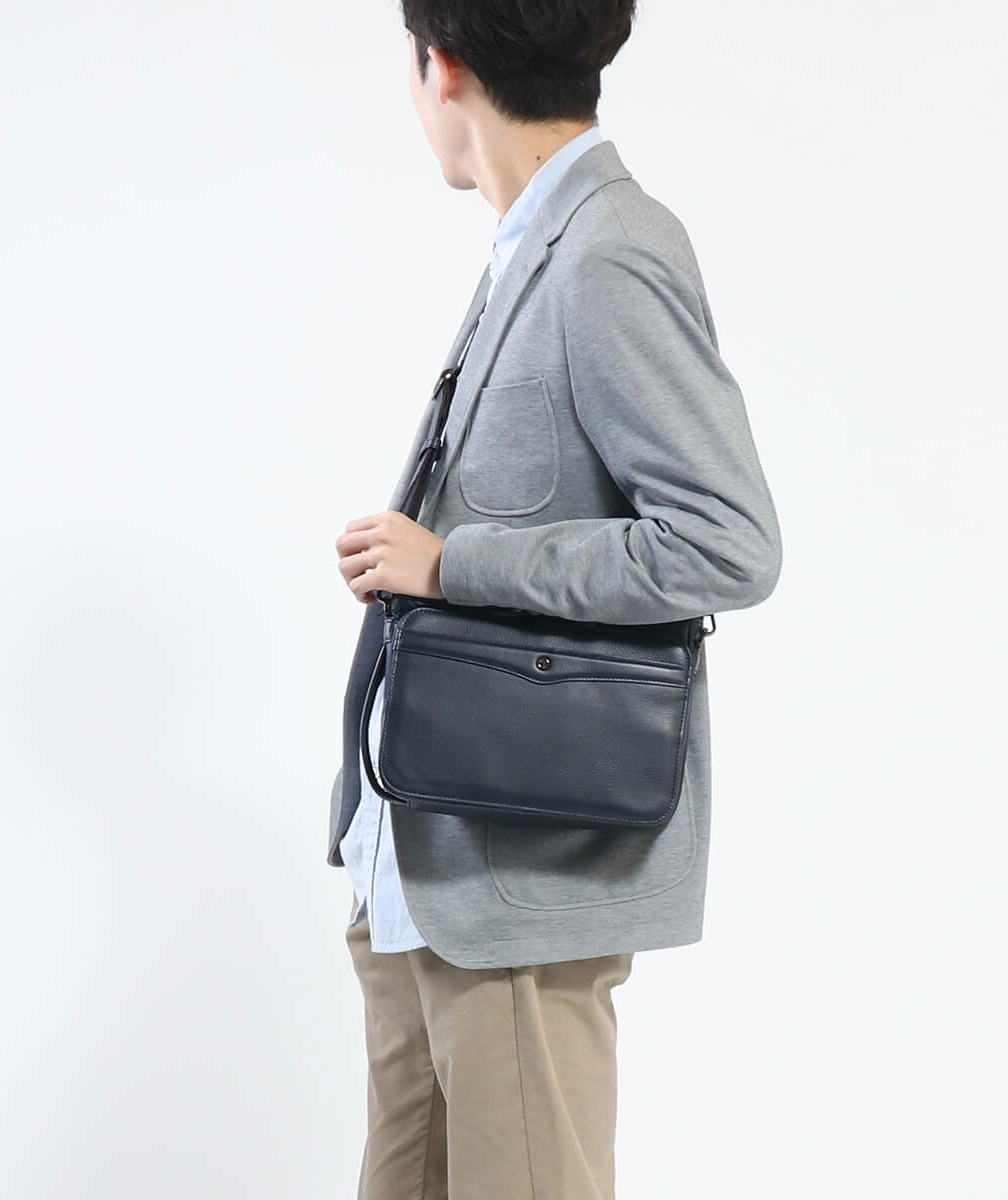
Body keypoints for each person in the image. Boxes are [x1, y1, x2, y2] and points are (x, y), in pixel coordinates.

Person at [328, 3, 782, 1196]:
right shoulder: (534, 245)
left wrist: (454, 564)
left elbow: (726, 543)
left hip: (516, 890)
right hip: (428, 868)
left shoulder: (608, 250)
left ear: (441, 67)